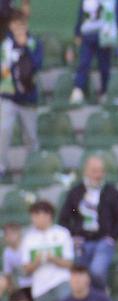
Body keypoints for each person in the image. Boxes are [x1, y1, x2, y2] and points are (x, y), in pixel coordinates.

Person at [59, 155, 118, 288]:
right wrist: (74, 235)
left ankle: (99, 300)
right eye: (94, 170)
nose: (98, 174)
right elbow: (64, 219)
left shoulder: (111, 192)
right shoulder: (76, 192)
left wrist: (112, 237)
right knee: (80, 275)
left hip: (103, 241)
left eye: (101, 171)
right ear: (86, 171)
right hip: (81, 242)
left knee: (96, 271)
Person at [0, 9, 41, 179]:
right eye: (15, 25)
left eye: (22, 24)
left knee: (31, 136)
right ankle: (0, 167)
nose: (19, 28)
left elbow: (37, 65)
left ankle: (35, 167)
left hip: (28, 98)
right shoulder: (4, 44)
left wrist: (24, 47)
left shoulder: (34, 43)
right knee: (3, 131)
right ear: (10, 26)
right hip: (8, 96)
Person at [20, 201, 74, 301]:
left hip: (61, 282)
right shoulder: (28, 238)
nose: (34, 219)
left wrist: (53, 258)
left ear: (48, 215)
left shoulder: (62, 233)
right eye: (33, 216)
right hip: (40, 288)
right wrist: (37, 261)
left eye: (36, 215)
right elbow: (25, 269)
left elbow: (70, 263)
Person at [69, 0, 118, 104]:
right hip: (88, 35)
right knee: (84, 62)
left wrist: (114, 32)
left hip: (105, 35)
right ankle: (78, 90)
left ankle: (104, 92)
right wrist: (77, 32)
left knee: (104, 66)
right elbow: (82, 13)